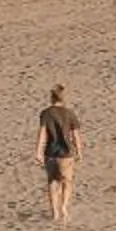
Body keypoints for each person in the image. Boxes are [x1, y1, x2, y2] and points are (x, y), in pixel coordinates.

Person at [36, 84, 84, 222]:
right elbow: (75, 135)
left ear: (51, 97)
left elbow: (42, 133)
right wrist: (79, 151)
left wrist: (38, 152)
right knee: (67, 181)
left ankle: (55, 212)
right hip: (66, 153)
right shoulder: (70, 114)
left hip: (50, 152)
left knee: (52, 181)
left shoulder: (46, 113)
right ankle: (63, 207)